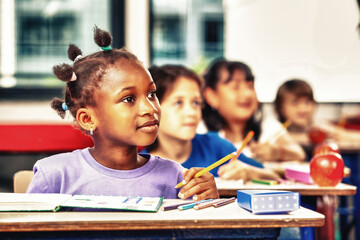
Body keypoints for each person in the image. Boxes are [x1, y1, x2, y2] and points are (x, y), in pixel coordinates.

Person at [26, 27, 219, 201]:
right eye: (128, 99)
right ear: (87, 119)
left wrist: (209, 201)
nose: (150, 108)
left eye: (152, 94)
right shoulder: (54, 176)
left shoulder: (177, 177)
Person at [144, 65, 279, 181]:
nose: (191, 112)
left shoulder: (215, 145)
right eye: (178, 102)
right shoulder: (139, 163)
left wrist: (249, 172)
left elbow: (273, 176)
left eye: (196, 103)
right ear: (153, 108)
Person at [202, 59, 306, 166]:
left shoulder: (265, 124)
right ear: (212, 96)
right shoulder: (201, 131)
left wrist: (277, 152)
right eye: (235, 87)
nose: (247, 93)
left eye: (250, 86)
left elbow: (299, 154)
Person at [275, 79, 360, 146]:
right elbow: (277, 139)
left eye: (307, 102)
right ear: (281, 108)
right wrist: (311, 138)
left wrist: (343, 135)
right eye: (295, 103)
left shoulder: (319, 127)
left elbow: (348, 136)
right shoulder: (273, 127)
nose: (303, 109)